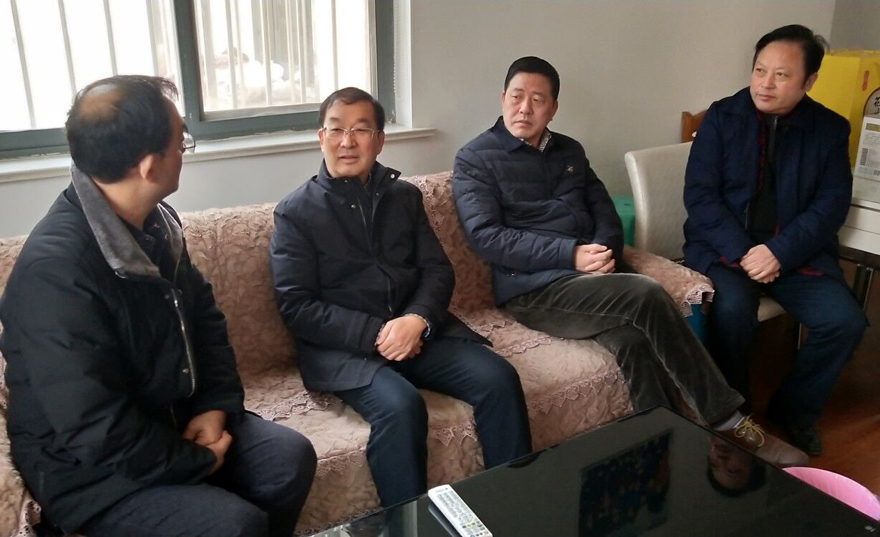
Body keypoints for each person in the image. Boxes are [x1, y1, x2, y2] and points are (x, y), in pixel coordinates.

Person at [0, 75, 316, 537]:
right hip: (90, 469)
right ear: (149, 166)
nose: (184, 151)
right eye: (180, 142)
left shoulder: (155, 225)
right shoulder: (55, 273)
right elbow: (96, 428)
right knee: (235, 525)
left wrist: (213, 407)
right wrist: (196, 460)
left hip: (172, 418)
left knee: (288, 460)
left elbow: (205, 322)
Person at [453, 56, 807, 468]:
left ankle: (662, 445)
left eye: (537, 100)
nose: (524, 109)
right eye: (516, 97)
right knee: (644, 293)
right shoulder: (476, 159)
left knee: (632, 342)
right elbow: (487, 238)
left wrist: (605, 253)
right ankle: (728, 420)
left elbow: (604, 210)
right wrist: (571, 255)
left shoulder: (569, 151)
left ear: (553, 108)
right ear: (502, 98)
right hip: (533, 290)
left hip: (592, 278)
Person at [270, 87, 532, 507]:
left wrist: (417, 320)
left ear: (379, 140)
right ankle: (408, 524)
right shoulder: (295, 212)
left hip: (417, 334)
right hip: (347, 351)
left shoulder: (404, 197)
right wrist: (377, 334)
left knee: (498, 377)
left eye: (360, 130)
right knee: (402, 406)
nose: (347, 141)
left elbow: (437, 270)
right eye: (336, 130)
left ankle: (511, 506)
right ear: (321, 138)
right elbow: (297, 306)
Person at [683, 24, 867, 456]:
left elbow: (830, 206)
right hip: (726, 251)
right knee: (731, 311)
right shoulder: (723, 117)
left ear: (809, 81)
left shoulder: (829, 129)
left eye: (781, 75)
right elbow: (700, 196)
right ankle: (735, 413)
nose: (765, 83)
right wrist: (745, 252)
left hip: (795, 254)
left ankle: (794, 410)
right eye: (760, 70)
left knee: (845, 322)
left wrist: (779, 252)